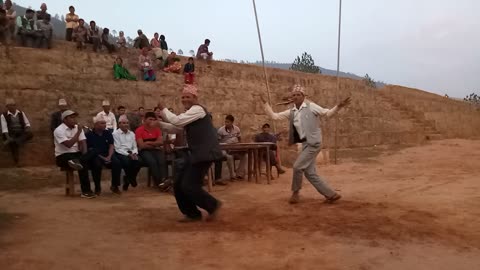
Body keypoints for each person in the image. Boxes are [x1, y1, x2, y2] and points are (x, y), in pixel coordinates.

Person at [260, 84, 351, 204]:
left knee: (297, 166)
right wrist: (265, 103)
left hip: (314, 144)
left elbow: (327, 113)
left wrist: (338, 106)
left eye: (298, 94)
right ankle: (331, 194)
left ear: (303, 96)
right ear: (291, 97)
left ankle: (295, 193)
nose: (296, 96)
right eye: (294, 95)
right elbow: (274, 117)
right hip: (305, 145)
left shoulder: (311, 106)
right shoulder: (291, 111)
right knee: (310, 173)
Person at [159, 84, 223, 222]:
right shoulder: (191, 114)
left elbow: (177, 121)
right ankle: (192, 213)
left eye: (187, 96)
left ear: (195, 97)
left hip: (204, 153)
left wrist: (163, 109)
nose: (184, 99)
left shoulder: (198, 109)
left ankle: (212, 205)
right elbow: (176, 128)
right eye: (183, 97)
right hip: (196, 154)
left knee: (188, 185)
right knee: (179, 183)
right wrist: (159, 125)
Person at [54, 110, 96, 198]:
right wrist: (78, 132)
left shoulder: (77, 127)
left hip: (76, 154)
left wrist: (84, 155)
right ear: (65, 120)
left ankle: (86, 191)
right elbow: (68, 145)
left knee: (92, 153)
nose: (74, 119)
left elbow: (83, 142)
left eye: (75, 117)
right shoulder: (58, 130)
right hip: (63, 156)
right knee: (81, 162)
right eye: (71, 118)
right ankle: (86, 191)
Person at [86, 116, 119, 195]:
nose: (105, 125)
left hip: (108, 154)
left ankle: (115, 186)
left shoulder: (107, 133)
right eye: (102, 123)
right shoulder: (89, 135)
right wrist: (103, 158)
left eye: (105, 123)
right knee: (96, 164)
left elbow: (111, 145)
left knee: (117, 163)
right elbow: (90, 150)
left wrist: (109, 156)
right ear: (96, 125)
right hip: (96, 155)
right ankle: (97, 187)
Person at [135, 112, 167, 190]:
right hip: (144, 151)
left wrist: (149, 142)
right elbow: (141, 145)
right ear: (144, 120)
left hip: (156, 150)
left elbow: (160, 142)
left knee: (162, 160)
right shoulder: (139, 130)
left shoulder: (157, 129)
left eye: (153, 119)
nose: (152, 121)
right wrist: (155, 144)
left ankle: (165, 181)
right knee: (152, 162)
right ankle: (159, 183)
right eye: (150, 119)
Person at [113, 115, 141, 191]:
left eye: (127, 123)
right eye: (124, 123)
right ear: (119, 124)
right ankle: (130, 179)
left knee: (138, 162)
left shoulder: (132, 133)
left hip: (131, 152)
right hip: (121, 153)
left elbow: (135, 146)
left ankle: (128, 178)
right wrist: (129, 154)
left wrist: (134, 153)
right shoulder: (115, 134)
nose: (126, 125)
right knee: (126, 162)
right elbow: (117, 148)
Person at [1, 98, 33, 165]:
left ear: (15, 105)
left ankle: (16, 141)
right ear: (7, 107)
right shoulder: (3, 116)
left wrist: (27, 128)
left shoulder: (21, 113)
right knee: (13, 145)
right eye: (9, 106)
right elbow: (4, 128)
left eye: (12, 105)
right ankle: (16, 162)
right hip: (11, 133)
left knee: (30, 134)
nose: (11, 107)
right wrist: (8, 137)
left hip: (21, 133)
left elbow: (27, 123)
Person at [216, 114, 247, 180]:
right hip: (224, 149)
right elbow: (218, 142)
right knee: (229, 157)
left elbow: (240, 139)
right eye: (225, 122)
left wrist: (241, 147)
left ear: (232, 122)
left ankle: (239, 174)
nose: (226, 123)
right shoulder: (221, 130)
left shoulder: (237, 129)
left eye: (228, 122)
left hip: (234, 149)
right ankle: (232, 175)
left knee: (244, 155)